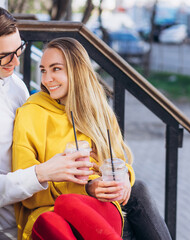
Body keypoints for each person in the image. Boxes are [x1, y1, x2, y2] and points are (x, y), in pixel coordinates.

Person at [0, 6, 93, 240]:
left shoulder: (8, 81)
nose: (15, 62)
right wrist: (43, 172)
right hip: (20, 221)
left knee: (134, 190)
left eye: (18, 49)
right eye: (4, 55)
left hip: (47, 199)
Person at [12, 37, 136, 240]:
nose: (46, 79)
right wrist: (86, 188)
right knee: (58, 212)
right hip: (45, 212)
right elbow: (25, 187)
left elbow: (119, 163)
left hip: (99, 211)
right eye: (43, 70)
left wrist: (123, 182)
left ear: (77, 70)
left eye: (56, 69)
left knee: (69, 204)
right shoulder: (30, 114)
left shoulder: (100, 114)